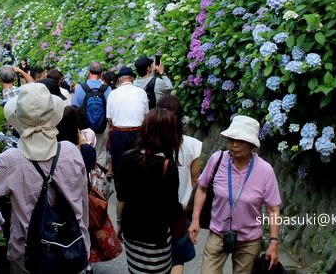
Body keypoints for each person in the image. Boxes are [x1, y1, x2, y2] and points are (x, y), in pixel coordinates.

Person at [0, 83, 90, 274]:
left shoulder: (11, 160)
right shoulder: (71, 151)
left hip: (29, 259)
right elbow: (83, 204)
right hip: (72, 252)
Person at [188, 115, 282, 274]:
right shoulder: (217, 160)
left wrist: (273, 242)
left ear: (252, 144)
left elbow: (273, 209)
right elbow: (202, 188)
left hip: (249, 240)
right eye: (231, 139)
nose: (234, 145)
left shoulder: (265, 171)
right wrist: (195, 220)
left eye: (241, 141)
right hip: (217, 234)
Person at [116, 108, 182, 274]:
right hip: (157, 235)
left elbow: (121, 197)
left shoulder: (127, 157)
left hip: (131, 230)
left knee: (135, 270)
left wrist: (119, 223)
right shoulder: (168, 165)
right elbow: (173, 207)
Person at [159, 95, 202, 274]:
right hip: (181, 209)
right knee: (177, 257)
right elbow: (195, 181)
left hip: (156, 210)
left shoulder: (151, 145)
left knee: (157, 256)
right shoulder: (193, 145)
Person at [106, 66, 149, 192]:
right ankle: (137, 193)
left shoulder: (113, 94)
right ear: (132, 79)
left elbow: (110, 119)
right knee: (138, 166)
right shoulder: (141, 92)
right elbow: (146, 115)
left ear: (119, 80)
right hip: (138, 133)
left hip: (118, 133)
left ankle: (121, 196)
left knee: (119, 166)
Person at [71, 61, 112, 170]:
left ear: (89, 72)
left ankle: (89, 179)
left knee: (86, 153)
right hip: (102, 127)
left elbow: (74, 107)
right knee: (101, 153)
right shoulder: (106, 89)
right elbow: (110, 109)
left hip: (85, 127)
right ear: (101, 74)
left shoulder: (81, 88)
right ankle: (100, 181)